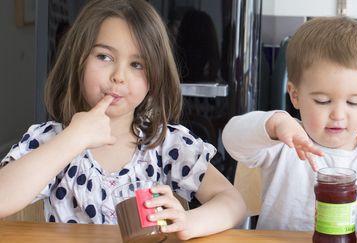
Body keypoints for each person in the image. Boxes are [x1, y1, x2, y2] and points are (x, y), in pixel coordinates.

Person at [0, 0, 246, 240]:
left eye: (137, 64)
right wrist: (73, 138)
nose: (119, 76)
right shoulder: (52, 139)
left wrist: (189, 222)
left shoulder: (166, 143)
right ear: (79, 60)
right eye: (104, 57)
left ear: (154, 78)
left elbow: (233, 202)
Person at [222, 16, 357, 242]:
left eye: (354, 102)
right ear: (295, 96)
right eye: (323, 101)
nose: (338, 115)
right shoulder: (283, 142)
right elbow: (231, 138)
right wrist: (274, 124)